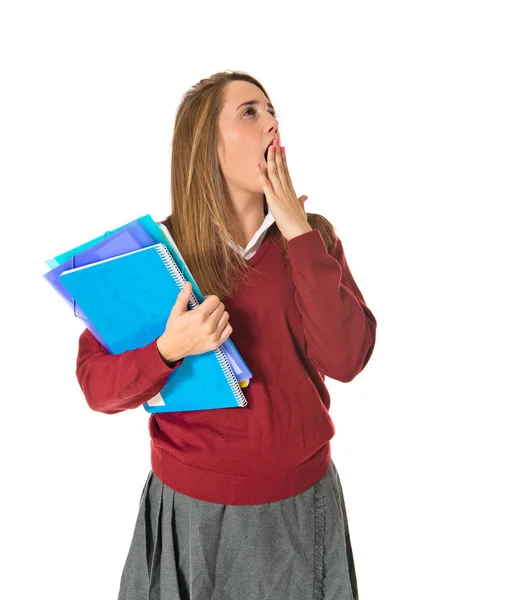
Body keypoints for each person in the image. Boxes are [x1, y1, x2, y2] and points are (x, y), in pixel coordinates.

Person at [76, 70, 377, 600]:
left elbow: (347, 359)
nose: (272, 121)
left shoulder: (313, 239)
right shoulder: (156, 257)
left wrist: (298, 231)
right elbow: (98, 388)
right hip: (188, 513)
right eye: (249, 112)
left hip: (299, 508)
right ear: (207, 146)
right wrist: (169, 349)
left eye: (271, 110)